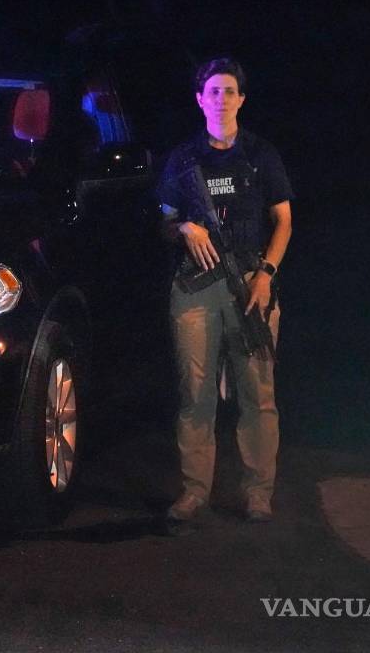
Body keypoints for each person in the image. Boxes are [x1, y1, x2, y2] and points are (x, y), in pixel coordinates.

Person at [156, 57, 293, 523]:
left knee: (258, 392)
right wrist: (185, 232)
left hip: (250, 285)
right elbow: (163, 220)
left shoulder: (260, 154)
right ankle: (195, 492)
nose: (221, 99)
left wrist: (265, 274)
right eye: (213, 91)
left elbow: (284, 222)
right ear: (200, 99)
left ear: (242, 99)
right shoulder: (183, 158)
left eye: (229, 91)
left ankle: (258, 494)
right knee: (196, 393)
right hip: (195, 288)